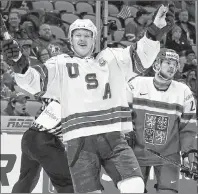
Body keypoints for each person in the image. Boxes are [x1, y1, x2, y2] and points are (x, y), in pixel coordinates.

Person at [2, 4, 175, 193]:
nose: (82, 39)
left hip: (113, 138)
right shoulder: (59, 65)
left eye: (87, 35)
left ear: (94, 40)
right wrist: (20, 65)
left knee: (134, 186)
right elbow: (34, 81)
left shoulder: (112, 57)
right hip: (76, 143)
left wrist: (154, 32)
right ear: (70, 39)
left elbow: (142, 56)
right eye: (78, 35)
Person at [127, 48, 197, 193]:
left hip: (168, 156)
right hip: (137, 153)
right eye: (168, 62)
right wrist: (125, 133)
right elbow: (122, 113)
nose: (172, 67)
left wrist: (188, 152)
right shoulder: (136, 84)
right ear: (157, 65)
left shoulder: (183, 91)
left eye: (175, 64)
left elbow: (188, 127)